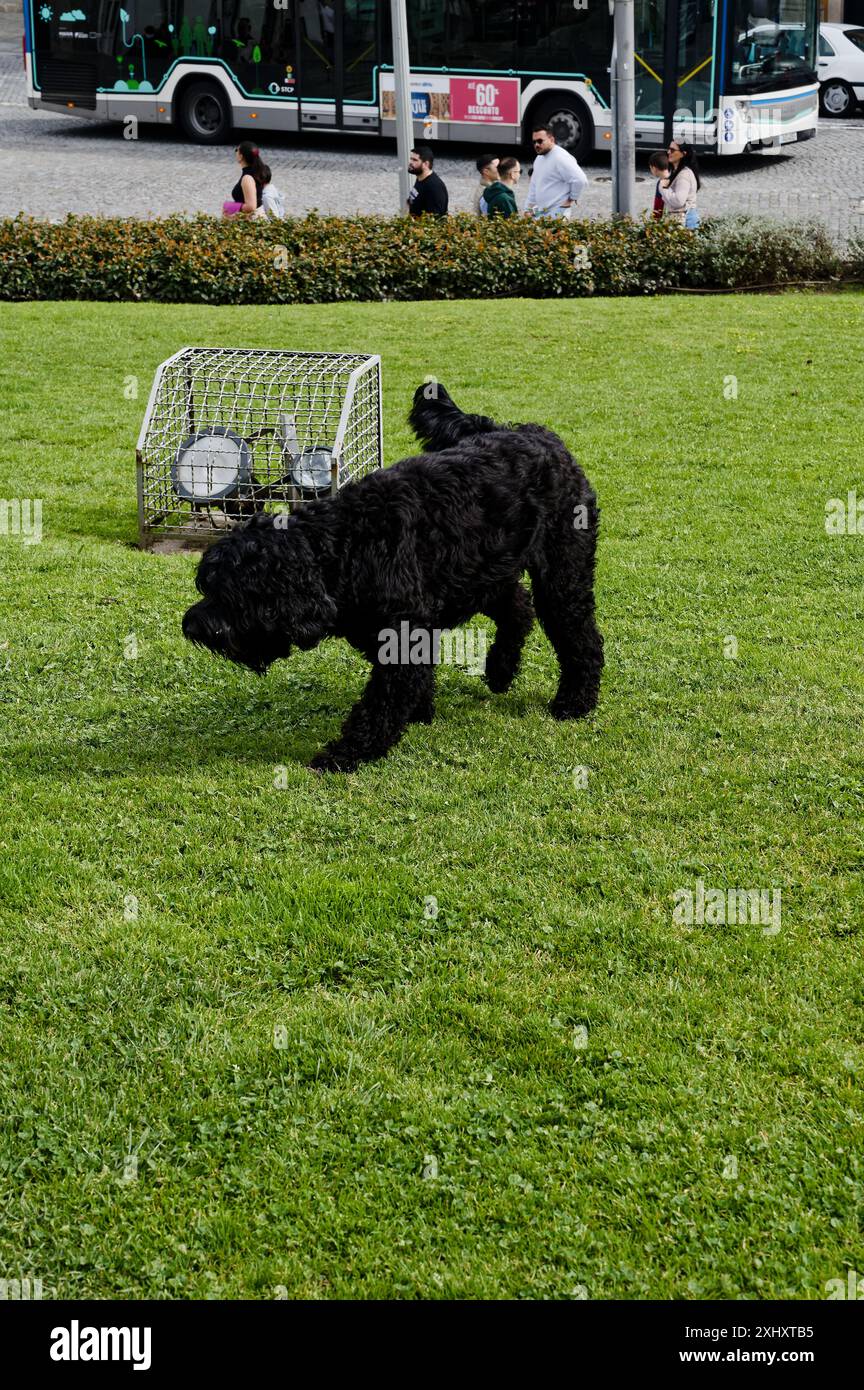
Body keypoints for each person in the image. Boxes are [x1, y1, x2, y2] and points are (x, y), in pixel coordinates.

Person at [524, 125, 587, 220]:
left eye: (540, 141)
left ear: (551, 140)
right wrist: (527, 209)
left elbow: (580, 180)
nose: (536, 144)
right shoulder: (539, 158)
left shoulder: (561, 157)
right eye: (534, 142)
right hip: (542, 212)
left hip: (557, 213)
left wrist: (570, 200)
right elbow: (534, 186)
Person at [660, 140, 701, 228]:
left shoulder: (684, 175)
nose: (668, 152)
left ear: (683, 154)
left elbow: (678, 201)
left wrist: (663, 187)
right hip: (683, 220)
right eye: (669, 149)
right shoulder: (676, 171)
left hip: (686, 222)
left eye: (672, 150)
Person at [226, 140, 266, 217]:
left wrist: (231, 207)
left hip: (252, 222)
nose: (235, 153)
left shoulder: (247, 178)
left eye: (236, 150)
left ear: (241, 156)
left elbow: (251, 206)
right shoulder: (256, 172)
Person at [407, 146, 448, 217]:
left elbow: (435, 219)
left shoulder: (434, 187)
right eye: (411, 159)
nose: (410, 162)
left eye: (415, 160)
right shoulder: (420, 178)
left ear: (426, 164)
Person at [648, 150, 668, 220]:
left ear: (654, 168)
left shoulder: (661, 183)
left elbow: (658, 205)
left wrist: (655, 221)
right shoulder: (675, 177)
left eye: (650, 168)